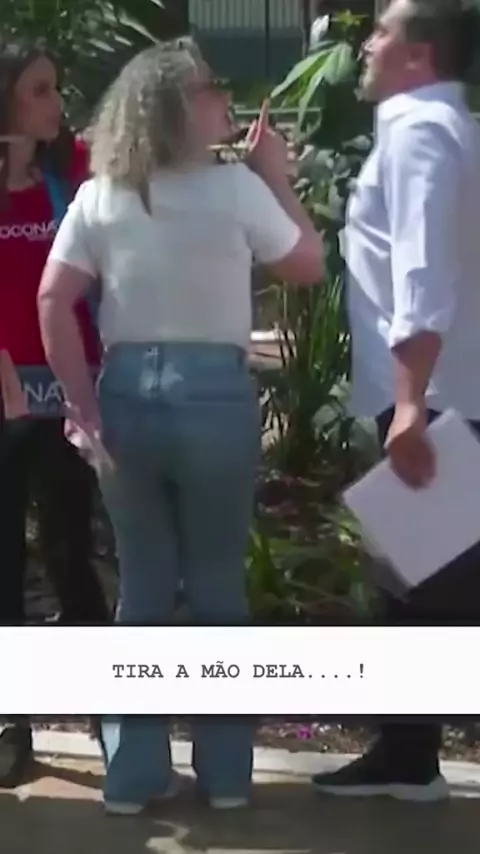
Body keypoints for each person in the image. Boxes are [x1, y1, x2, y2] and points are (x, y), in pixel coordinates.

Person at [37, 38, 324, 814]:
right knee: (218, 587)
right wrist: (275, 176)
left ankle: (133, 775)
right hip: (213, 396)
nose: (224, 99)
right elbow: (307, 264)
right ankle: (225, 777)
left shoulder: (102, 195)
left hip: (126, 393)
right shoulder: (235, 189)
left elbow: (52, 299)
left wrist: (81, 404)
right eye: (211, 88)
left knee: (143, 589)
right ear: (177, 107)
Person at [312, 0, 480, 801]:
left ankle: (409, 757)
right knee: (417, 583)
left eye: (381, 31)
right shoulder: (447, 129)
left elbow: (421, 271)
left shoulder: (420, 134)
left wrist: (409, 404)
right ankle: (408, 756)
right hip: (442, 389)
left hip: (431, 394)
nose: (366, 43)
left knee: (433, 587)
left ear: (419, 54)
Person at [0, 40, 110, 788]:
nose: (56, 102)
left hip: (69, 393)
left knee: (73, 554)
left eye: (57, 88)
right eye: (39, 90)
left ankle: (112, 717)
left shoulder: (71, 169)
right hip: (4, 399)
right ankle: (13, 723)